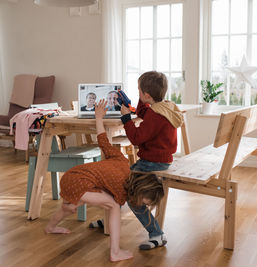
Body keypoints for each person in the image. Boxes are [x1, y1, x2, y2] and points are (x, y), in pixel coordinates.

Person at [45, 99, 165, 262]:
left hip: (71, 176)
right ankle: (115, 252)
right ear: (140, 190)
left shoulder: (122, 161)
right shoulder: (122, 194)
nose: (143, 205)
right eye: (145, 202)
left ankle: (51, 227)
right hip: (78, 181)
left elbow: (103, 141)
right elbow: (112, 203)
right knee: (114, 206)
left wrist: (99, 118)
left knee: (70, 207)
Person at [120, 71, 184, 250]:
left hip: (151, 163)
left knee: (132, 196)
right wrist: (133, 102)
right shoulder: (165, 107)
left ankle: (157, 234)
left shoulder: (156, 116)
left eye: (139, 90)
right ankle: (111, 214)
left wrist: (126, 118)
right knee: (121, 177)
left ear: (147, 95)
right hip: (161, 160)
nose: (138, 92)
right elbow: (143, 112)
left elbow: (136, 138)